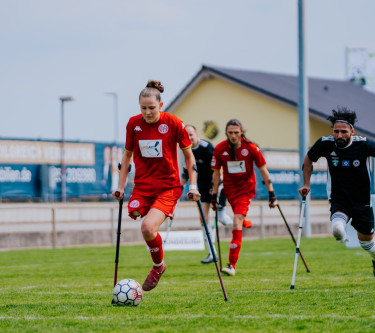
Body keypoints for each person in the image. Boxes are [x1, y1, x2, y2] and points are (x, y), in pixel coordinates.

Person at [114, 80, 200, 292]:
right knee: (134, 210)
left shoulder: (174, 123)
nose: (147, 112)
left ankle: (158, 266)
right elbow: (127, 157)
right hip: (142, 187)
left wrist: (193, 185)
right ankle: (157, 257)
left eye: (151, 108)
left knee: (147, 227)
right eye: (143, 108)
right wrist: (121, 187)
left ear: (160, 105)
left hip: (168, 188)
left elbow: (189, 156)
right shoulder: (133, 124)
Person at [299, 107, 375, 281]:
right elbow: (308, 160)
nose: (339, 135)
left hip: (362, 200)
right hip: (339, 198)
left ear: (352, 131)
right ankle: (342, 235)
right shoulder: (325, 144)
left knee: (367, 244)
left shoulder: (363, 144)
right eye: (336, 131)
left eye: (343, 131)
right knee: (336, 228)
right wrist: (306, 184)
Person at [211, 119, 277, 276]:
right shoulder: (220, 149)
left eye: (236, 132)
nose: (233, 136)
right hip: (229, 190)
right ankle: (245, 221)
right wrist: (214, 195)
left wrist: (271, 194)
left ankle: (232, 265)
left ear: (242, 132)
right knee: (239, 218)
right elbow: (215, 173)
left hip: (246, 190)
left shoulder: (251, 148)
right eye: (230, 133)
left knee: (236, 221)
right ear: (226, 133)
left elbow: (263, 171)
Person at [180, 124, 234, 264]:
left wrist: (215, 187)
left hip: (216, 183)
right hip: (202, 186)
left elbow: (218, 168)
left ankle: (236, 223)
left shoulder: (207, 147)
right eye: (186, 135)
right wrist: (180, 186)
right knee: (203, 218)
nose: (189, 137)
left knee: (220, 217)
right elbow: (187, 170)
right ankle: (212, 253)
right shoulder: (187, 150)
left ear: (197, 134)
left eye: (191, 134)